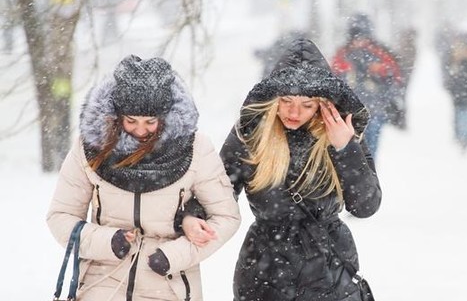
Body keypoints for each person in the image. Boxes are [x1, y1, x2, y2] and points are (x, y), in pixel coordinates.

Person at [183, 38, 382, 300]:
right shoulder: (251, 133)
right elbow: (220, 187)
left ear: (324, 104)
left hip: (329, 269)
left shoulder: (343, 134)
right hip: (265, 269)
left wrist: (344, 148)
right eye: (286, 100)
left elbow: (365, 206)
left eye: (307, 104)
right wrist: (192, 216)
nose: (294, 112)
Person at [46, 55, 241, 301]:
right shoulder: (90, 147)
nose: (140, 131)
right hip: (102, 281)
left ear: (166, 116)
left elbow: (226, 216)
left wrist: (174, 256)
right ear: (117, 116)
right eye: (131, 121)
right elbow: (61, 217)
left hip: (170, 285)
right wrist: (109, 242)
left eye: (150, 122)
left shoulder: (196, 148)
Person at [332, 13, 404, 160]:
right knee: (350, 155)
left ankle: (367, 179)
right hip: (349, 114)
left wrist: (378, 81)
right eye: (356, 36)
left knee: (369, 152)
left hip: (373, 112)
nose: (359, 41)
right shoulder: (343, 54)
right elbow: (333, 78)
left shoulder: (379, 53)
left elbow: (394, 78)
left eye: (362, 36)